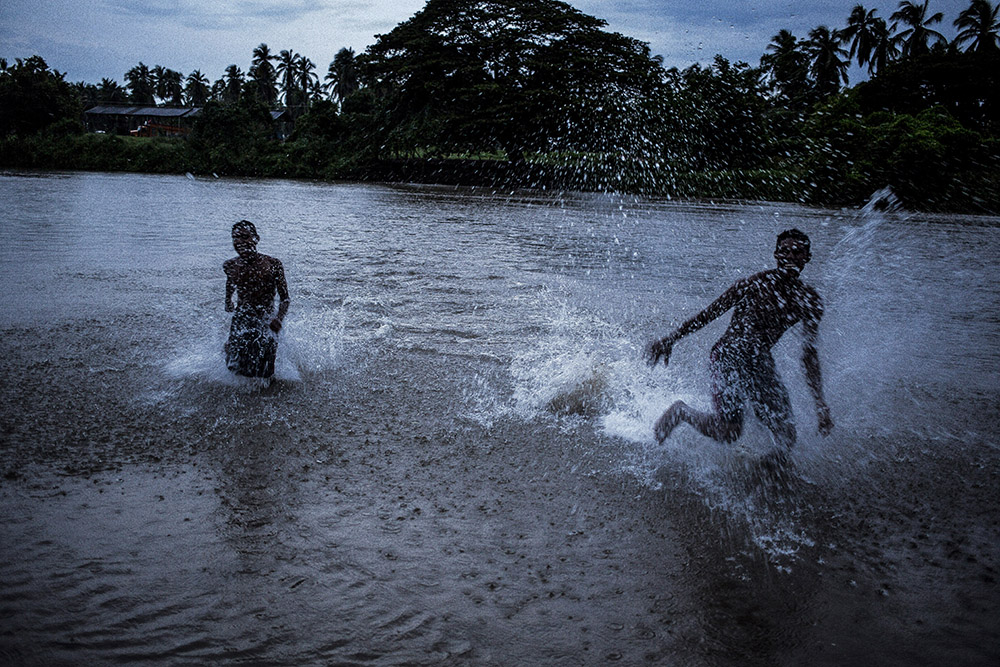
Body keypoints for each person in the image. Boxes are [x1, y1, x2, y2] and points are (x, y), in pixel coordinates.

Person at [647, 229, 833, 449]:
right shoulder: (753, 285)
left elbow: (809, 353)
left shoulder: (809, 300)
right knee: (729, 432)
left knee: (787, 435)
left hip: (760, 361)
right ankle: (682, 412)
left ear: (807, 258)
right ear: (776, 255)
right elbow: (709, 314)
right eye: (785, 251)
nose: (791, 256)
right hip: (728, 355)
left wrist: (820, 402)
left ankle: (767, 474)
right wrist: (671, 339)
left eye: (797, 252)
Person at [223, 220, 289, 379]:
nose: (239, 242)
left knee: (266, 373)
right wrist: (228, 301)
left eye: (245, 237)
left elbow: (285, 298)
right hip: (242, 319)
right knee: (234, 369)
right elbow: (230, 283)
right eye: (235, 238)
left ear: (256, 239)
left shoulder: (272, 264)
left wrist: (279, 319)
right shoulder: (231, 265)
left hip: (266, 320)